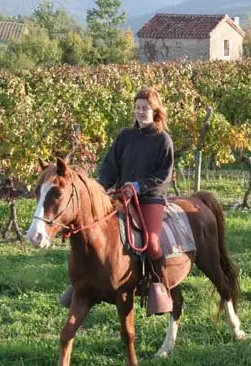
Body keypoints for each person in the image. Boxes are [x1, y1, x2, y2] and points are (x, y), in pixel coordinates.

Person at [59, 87, 175, 312]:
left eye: (146, 108)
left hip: (151, 199)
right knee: (94, 231)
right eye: (138, 108)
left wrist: (139, 186)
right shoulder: (125, 136)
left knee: (151, 243)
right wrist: (100, 190)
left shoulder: (163, 140)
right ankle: (83, 282)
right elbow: (110, 166)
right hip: (122, 196)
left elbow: (164, 174)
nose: (141, 112)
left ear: (155, 110)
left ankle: (158, 286)